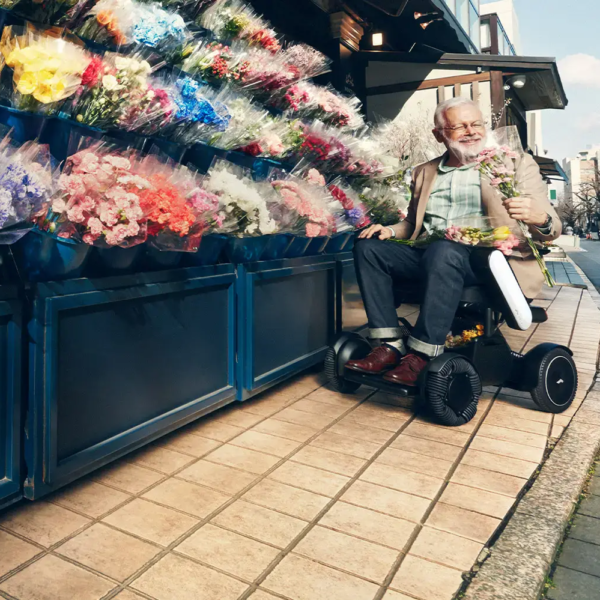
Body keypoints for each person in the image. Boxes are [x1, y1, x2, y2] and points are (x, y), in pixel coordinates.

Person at [346, 97, 561, 386]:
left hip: (489, 262)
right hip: (432, 256)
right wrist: (390, 231)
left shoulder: (514, 162)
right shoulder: (425, 171)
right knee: (368, 247)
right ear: (439, 135)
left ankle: (422, 354)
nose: (470, 131)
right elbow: (412, 223)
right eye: (458, 126)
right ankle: (389, 345)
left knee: (444, 249)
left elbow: (552, 225)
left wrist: (539, 218)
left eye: (476, 124)